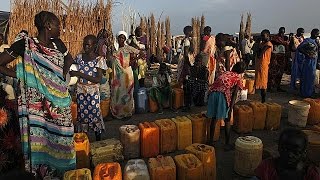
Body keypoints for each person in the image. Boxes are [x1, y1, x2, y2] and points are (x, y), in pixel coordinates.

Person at [0, 11, 75, 178]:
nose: (60, 29)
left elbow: (69, 59)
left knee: (64, 138)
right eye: (57, 25)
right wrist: (20, 75)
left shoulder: (58, 44)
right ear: (48, 26)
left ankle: (63, 174)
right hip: (38, 108)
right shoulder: (25, 45)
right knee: (41, 141)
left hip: (60, 106)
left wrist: (61, 76)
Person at [71, 35, 107, 141]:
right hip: (81, 92)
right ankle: (84, 142)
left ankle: (98, 141)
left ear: (94, 46)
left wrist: (79, 74)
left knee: (95, 116)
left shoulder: (99, 59)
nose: (86, 47)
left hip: (93, 93)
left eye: (88, 45)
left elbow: (98, 79)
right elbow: (72, 66)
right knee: (82, 117)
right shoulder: (79, 57)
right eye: (84, 44)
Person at [206, 61, 246, 150]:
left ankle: (210, 141)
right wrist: (230, 109)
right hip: (222, 95)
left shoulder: (227, 72)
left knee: (214, 117)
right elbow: (235, 94)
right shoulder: (238, 78)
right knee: (227, 119)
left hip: (213, 94)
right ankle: (227, 144)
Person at [255, 128, 320, 180]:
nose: (290, 155)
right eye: (285, 149)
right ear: (279, 148)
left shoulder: (312, 174)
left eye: (295, 151)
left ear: (304, 152)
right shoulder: (266, 168)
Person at [110, 31, 143, 119]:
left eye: (123, 38)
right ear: (117, 38)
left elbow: (141, 53)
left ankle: (127, 112)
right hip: (117, 75)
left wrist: (133, 60)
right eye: (120, 37)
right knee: (117, 92)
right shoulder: (114, 49)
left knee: (127, 93)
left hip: (126, 74)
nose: (121, 39)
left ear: (125, 39)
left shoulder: (128, 48)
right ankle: (117, 112)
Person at [291, 28, 319, 98]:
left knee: (311, 77)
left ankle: (309, 92)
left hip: (313, 61)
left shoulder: (314, 41)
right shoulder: (307, 41)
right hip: (308, 62)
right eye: (317, 34)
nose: (318, 35)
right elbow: (299, 48)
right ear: (314, 34)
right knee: (307, 77)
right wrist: (307, 54)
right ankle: (306, 93)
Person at [268, 27, 289, 92]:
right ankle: (270, 87)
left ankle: (278, 86)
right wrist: (285, 42)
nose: (282, 33)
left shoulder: (284, 38)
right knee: (273, 72)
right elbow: (278, 42)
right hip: (275, 57)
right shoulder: (275, 37)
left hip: (282, 57)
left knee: (280, 73)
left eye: (283, 32)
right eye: (281, 32)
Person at [255, 29, 273, 103]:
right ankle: (262, 99)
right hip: (260, 64)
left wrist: (258, 45)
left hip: (264, 64)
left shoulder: (268, 45)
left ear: (268, 36)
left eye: (263, 36)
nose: (262, 37)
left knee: (263, 83)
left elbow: (259, 54)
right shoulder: (263, 44)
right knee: (260, 80)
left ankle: (263, 100)